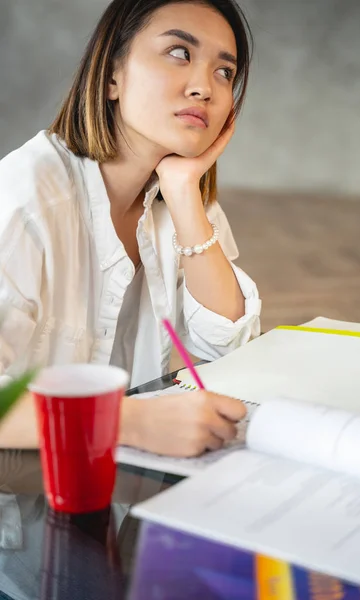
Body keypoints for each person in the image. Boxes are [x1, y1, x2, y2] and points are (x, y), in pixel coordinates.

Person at [0, 0, 261, 457]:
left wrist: (183, 193)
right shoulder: (25, 197)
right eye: (180, 52)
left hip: (112, 493)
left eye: (224, 72)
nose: (205, 87)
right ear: (111, 77)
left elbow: (230, 343)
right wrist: (128, 421)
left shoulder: (178, 199)